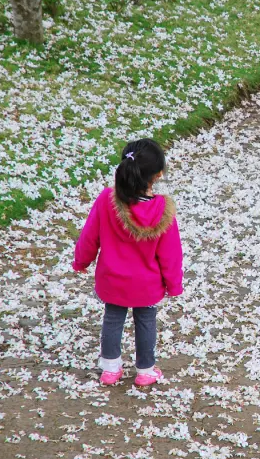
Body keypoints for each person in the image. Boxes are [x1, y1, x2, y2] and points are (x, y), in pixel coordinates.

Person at [72, 138, 183, 386]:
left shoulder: (106, 201)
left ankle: (110, 368)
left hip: (113, 279)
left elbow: (90, 235)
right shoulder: (163, 212)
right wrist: (174, 284)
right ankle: (145, 370)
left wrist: (81, 261)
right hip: (147, 284)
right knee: (146, 321)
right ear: (157, 175)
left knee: (113, 318)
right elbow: (171, 253)